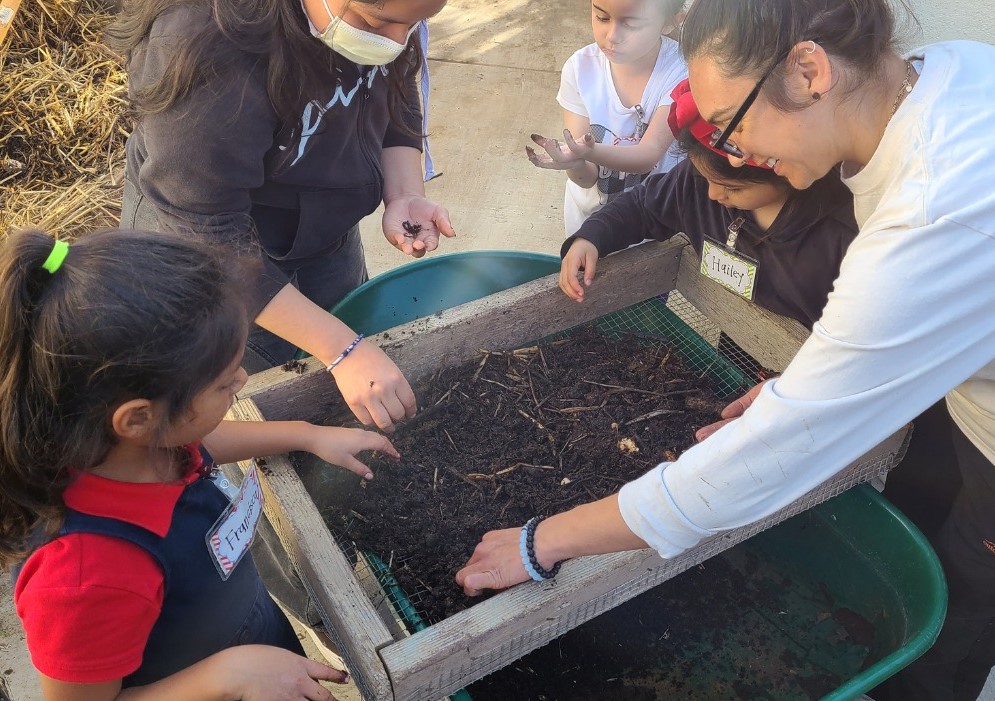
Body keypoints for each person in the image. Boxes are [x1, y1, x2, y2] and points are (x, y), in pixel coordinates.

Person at [456, 2, 995, 700]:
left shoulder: (936, 214)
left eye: (731, 124)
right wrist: (794, 389)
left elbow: (763, 460)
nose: (726, 148)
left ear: (807, 70)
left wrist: (541, 541)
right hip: (961, 384)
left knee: (968, 587)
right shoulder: (950, 72)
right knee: (927, 515)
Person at [1, 228, 399, 700]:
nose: (244, 378)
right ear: (137, 419)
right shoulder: (86, 575)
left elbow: (205, 440)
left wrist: (306, 435)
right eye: (224, 384)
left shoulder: (138, 449)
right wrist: (229, 676)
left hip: (249, 646)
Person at [106, 0, 455, 434]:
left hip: (321, 226)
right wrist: (341, 350)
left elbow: (395, 85)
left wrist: (403, 191)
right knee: (249, 384)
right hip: (214, 256)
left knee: (343, 335)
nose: (397, 42)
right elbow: (208, 232)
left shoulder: (385, 20)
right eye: (377, 23)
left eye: (415, 24)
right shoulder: (204, 43)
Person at [560, 78, 857, 332]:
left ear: (787, 174)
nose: (713, 195)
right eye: (706, 179)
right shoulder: (696, 185)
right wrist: (591, 237)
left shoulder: (839, 239)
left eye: (732, 188)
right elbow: (642, 206)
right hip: (738, 330)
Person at [526, 0, 688, 236]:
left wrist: (587, 151)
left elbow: (648, 154)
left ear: (671, 22)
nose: (612, 36)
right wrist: (574, 161)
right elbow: (587, 178)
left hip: (655, 226)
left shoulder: (681, 71)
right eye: (602, 17)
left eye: (631, 24)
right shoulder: (579, 69)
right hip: (590, 223)